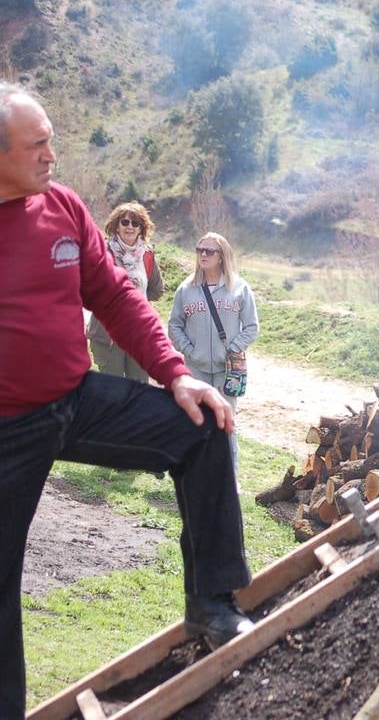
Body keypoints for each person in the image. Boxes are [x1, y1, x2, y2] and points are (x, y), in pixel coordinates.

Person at [0, 82, 252, 718]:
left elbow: (113, 296)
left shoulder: (61, 207)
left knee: (202, 427)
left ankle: (213, 602)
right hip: (6, 431)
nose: (53, 155)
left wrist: (176, 375)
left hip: (75, 398)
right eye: (38, 146)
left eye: (52, 139)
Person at [168, 232, 259, 478]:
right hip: (195, 369)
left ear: (222, 256)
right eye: (200, 250)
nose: (203, 255)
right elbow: (174, 325)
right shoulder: (186, 289)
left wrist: (233, 348)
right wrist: (189, 350)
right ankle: (192, 475)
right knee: (194, 421)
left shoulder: (239, 289)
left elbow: (252, 327)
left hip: (226, 370)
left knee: (225, 424)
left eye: (209, 251)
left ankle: (228, 480)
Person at [86, 201, 165, 382]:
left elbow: (157, 289)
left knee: (139, 391)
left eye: (135, 223)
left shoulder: (147, 255)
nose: (130, 226)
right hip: (107, 336)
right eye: (125, 222)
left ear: (141, 228)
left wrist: (135, 303)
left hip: (138, 334)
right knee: (112, 395)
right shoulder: (102, 253)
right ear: (116, 225)